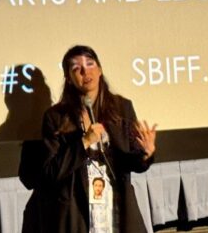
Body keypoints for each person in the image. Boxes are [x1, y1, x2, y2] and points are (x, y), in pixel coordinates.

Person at [23, 45, 157, 233]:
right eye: (76, 68)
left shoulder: (122, 107)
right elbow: (49, 173)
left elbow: (132, 163)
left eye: (90, 64)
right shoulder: (56, 117)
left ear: (100, 70)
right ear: (68, 78)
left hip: (116, 205)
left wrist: (145, 154)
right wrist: (83, 142)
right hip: (76, 210)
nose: (85, 71)